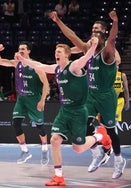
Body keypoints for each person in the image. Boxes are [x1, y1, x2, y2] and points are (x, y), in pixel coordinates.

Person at [16, 37, 112, 186]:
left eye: (59, 51)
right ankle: (59, 176)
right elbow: (39, 65)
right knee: (54, 140)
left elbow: (86, 58)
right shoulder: (57, 69)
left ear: (67, 54)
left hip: (78, 112)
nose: (56, 53)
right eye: (55, 51)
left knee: (78, 148)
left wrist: (93, 46)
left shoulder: (73, 66)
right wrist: (23, 59)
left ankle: (101, 135)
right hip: (64, 111)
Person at [49, 10, 126, 179]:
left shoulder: (107, 52)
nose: (94, 32)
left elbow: (112, 39)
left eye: (97, 29)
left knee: (112, 131)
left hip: (106, 96)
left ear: (103, 33)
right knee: (84, 124)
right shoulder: (87, 49)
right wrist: (58, 21)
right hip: (90, 94)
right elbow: (72, 37)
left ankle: (119, 160)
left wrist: (115, 21)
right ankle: (98, 151)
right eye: (92, 29)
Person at [0, 42, 50, 165]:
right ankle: (25, 151)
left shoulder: (35, 66)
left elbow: (46, 83)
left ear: (28, 51)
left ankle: (45, 149)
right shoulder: (16, 63)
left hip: (34, 98)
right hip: (21, 98)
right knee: (16, 123)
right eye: (19, 49)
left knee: (40, 127)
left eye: (23, 49)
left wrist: (42, 100)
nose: (21, 51)